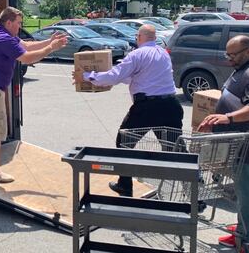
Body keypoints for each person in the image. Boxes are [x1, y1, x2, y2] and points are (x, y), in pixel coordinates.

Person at [0, 7, 67, 183]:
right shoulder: (3, 38)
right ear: (8, 22)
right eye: (18, 23)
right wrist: (51, 49)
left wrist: (49, 41)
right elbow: (27, 58)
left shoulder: (0, 33)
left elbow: (26, 45)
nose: (20, 26)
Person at [72, 24, 183, 197]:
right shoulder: (163, 54)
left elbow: (116, 75)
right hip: (171, 105)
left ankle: (125, 185)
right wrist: (105, 79)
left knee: (124, 142)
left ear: (139, 37)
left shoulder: (137, 54)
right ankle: (195, 193)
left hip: (147, 107)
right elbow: (134, 76)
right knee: (177, 149)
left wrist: (86, 76)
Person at [198, 36, 249, 250]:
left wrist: (227, 117)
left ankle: (248, 237)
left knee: (246, 190)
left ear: (248, 52)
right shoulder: (243, 69)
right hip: (240, 142)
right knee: (244, 189)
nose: (229, 59)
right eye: (227, 54)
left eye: (233, 55)